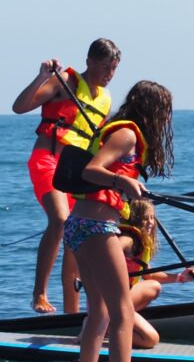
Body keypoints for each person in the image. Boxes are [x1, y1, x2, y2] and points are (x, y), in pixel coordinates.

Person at [65, 80, 173, 362]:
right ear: (152, 110)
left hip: (81, 225)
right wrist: (121, 181)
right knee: (123, 310)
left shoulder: (125, 134)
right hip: (97, 228)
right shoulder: (126, 134)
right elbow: (91, 170)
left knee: (100, 312)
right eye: (163, 113)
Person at [11, 38, 120, 315]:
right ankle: (39, 294)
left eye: (114, 68)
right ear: (89, 62)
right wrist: (40, 77)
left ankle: (72, 313)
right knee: (60, 220)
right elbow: (19, 107)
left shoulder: (105, 100)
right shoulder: (64, 83)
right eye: (105, 67)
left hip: (76, 172)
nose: (109, 74)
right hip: (47, 160)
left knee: (77, 232)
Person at [116, 198, 194, 348]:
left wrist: (180, 277)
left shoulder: (139, 241)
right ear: (135, 219)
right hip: (111, 298)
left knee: (154, 286)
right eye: (145, 218)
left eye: (152, 218)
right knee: (150, 340)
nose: (150, 223)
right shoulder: (129, 238)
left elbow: (150, 275)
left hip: (123, 293)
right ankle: (110, 326)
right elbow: (112, 251)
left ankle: (117, 320)